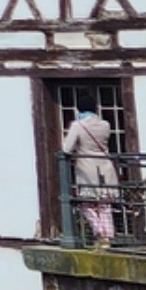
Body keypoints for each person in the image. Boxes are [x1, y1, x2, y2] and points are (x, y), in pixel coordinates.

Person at [60, 101, 122, 245]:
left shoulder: (78, 125)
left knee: (87, 203)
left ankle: (99, 232)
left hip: (87, 167)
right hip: (106, 166)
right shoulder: (105, 124)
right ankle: (108, 235)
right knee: (105, 203)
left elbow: (66, 148)